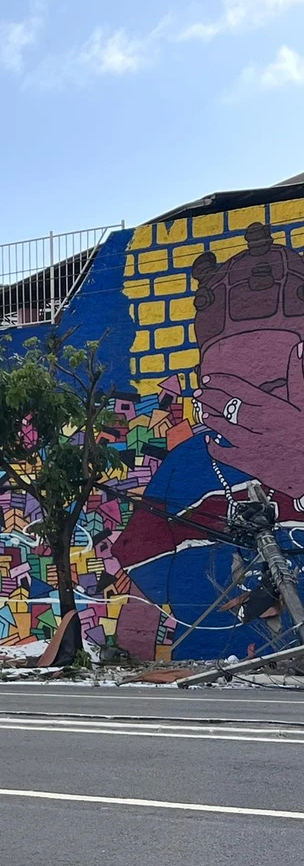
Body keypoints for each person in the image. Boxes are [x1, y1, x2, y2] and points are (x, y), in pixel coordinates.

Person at [111, 221, 304, 659]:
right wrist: (136, 658)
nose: (245, 407)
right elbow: (142, 582)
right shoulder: (186, 464)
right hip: (207, 658)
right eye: (222, 388)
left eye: (272, 388)